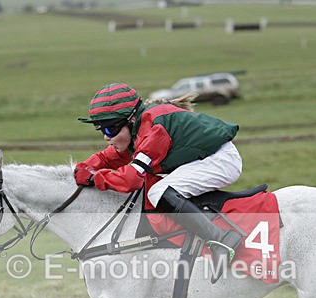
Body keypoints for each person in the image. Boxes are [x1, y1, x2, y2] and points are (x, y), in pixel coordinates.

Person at [75, 82, 244, 281]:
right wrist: (83, 167)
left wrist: (94, 178)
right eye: (102, 130)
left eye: (110, 130)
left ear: (130, 120)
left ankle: (221, 238)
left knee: (157, 191)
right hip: (207, 156)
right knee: (156, 189)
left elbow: (130, 180)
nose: (106, 137)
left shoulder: (154, 129)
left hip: (220, 161)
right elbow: (110, 156)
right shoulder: (139, 127)